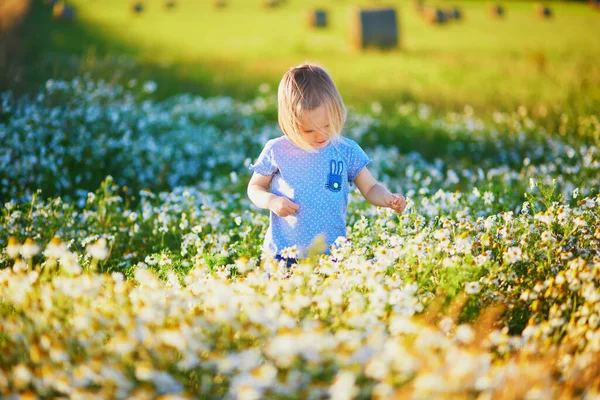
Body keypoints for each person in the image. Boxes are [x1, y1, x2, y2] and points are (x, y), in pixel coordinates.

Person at [247, 63, 406, 267]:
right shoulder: (277, 150)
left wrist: (388, 198)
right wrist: (271, 201)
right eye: (309, 130)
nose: (321, 135)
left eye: (328, 125)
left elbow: (370, 187)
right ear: (289, 123)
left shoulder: (345, 150)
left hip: (332, 252)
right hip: (285, 252)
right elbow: (255, 187)